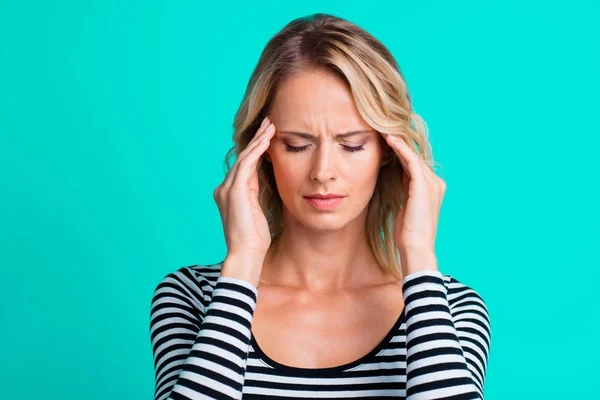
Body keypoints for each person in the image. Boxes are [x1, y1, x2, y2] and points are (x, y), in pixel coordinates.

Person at [149, 12, 491, 400]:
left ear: (387, 149)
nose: (323, 172)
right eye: (297, 144)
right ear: (262, 153)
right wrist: (243, 263)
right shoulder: (192, 296)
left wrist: (418, 255)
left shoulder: (451, 307)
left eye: (352, 144)